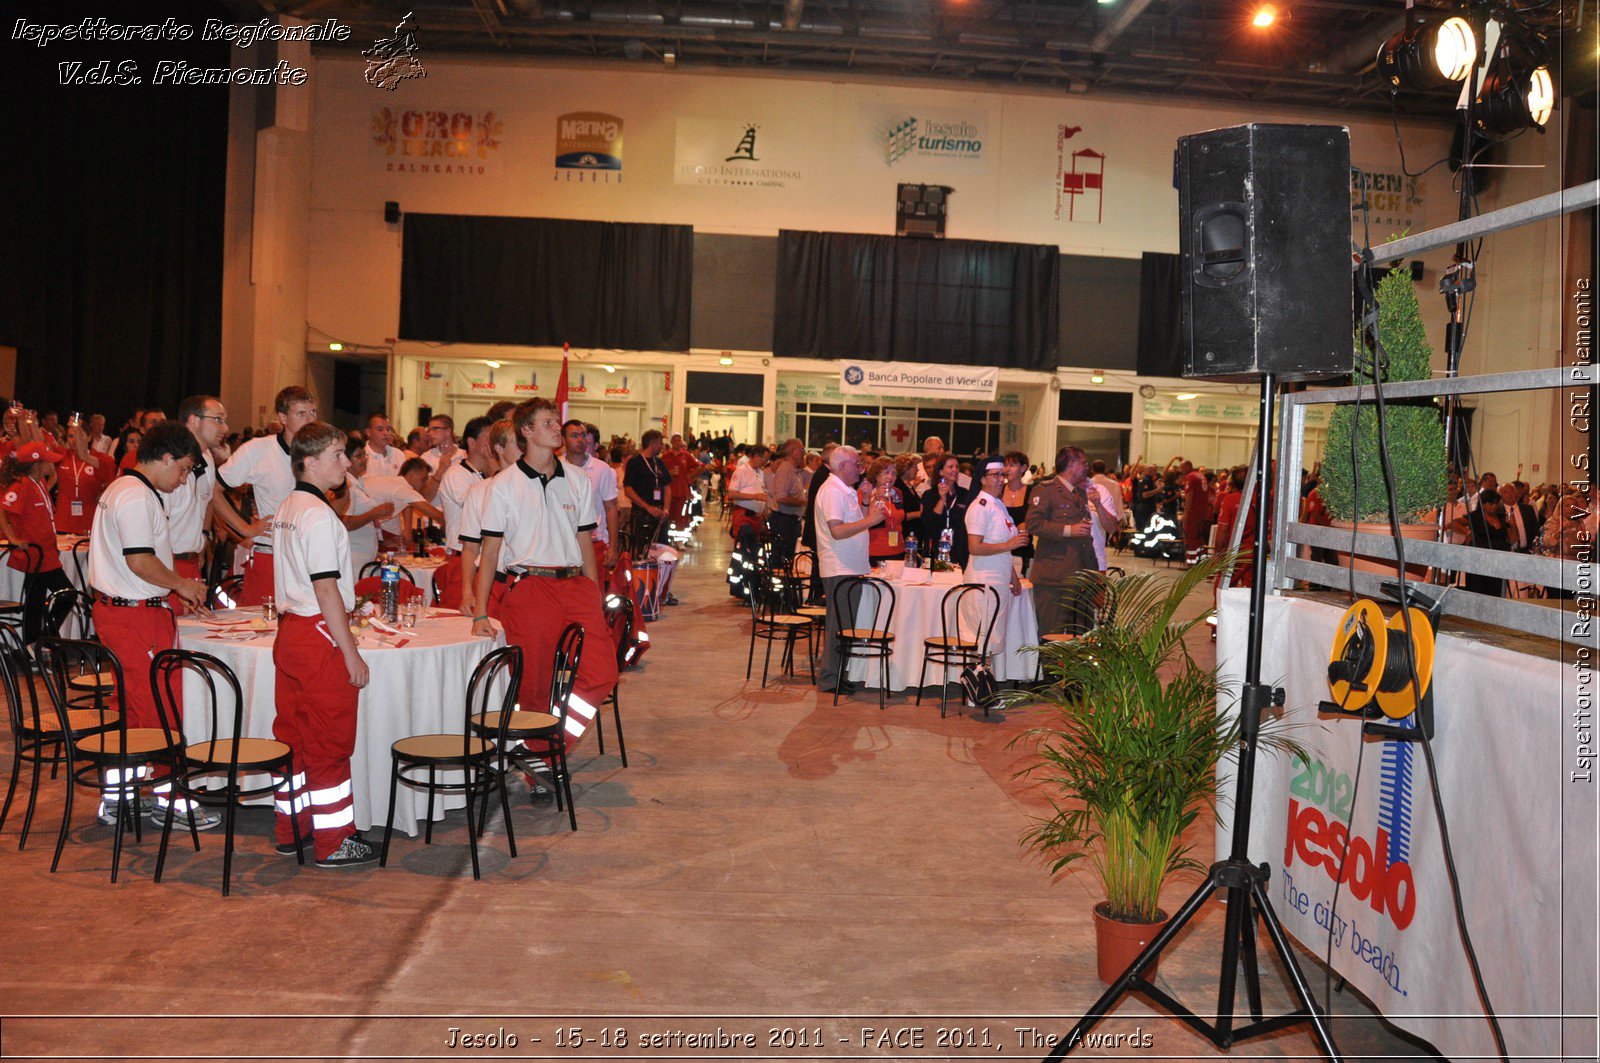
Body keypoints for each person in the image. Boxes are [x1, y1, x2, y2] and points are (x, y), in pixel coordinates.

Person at [85, 421, 216, 829]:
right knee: (162, 704)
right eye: (182, 469)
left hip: (129, 610)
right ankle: (168, 798)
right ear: (164, 458)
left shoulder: (126, 490)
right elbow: (139, 560)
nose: (182, 480)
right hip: (134, 614)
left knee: (135, 706)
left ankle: (119, 796)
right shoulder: (136, 496)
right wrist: (182, 585)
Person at [471, 399, 617, 762]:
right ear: (527, 431)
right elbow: (489, 553)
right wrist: (478, 612)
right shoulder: (502, 485)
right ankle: (539, 759)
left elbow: (586, 540)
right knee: (533, 685)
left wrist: (594, 593)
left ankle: (551, 744)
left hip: (575, 585)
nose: (557, 428)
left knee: (602, 673)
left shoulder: (578, 479)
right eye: (549, 422)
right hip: (530, 587)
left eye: (557, 421)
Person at [270, 420, 379, 867]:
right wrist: (349, 651)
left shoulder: (289, 506)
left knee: (294, 737)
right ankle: (334, 842)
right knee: (330, 742)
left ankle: (291, 830)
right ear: (308, 462)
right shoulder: (317, 514)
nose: (347, 463)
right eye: (337, 455)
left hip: (291, 631)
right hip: (317, 634)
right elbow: (327, 589)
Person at [217, 386, 318, 606]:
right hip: (272, 554)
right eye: (301, 414)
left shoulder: (322, 452)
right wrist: (244, 529)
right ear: (282, 417)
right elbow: (213, 490)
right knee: (264, 628)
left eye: (313, 413)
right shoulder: (258, 449)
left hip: (312, 555)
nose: (310, 420)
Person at [169, 395, 268, 611]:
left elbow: (210, 497)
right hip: (168, 562)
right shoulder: (170, 458)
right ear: (194, 421)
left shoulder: (207, 460)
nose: (225, 427)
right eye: (218, 419)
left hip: (192, 561)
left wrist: (205, 536)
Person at [813, 446, 884, 696]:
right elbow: (838, 530)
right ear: (843, 465)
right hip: (839, 567)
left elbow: (856, 523)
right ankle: (830, 678)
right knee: (838, 626)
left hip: (850, 566)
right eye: (857, 464)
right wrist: (872, 519)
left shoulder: (846, 490)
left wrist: (865, 503)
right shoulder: (832, 491)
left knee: (846, 625)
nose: (861, 468)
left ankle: (839, 674)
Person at [0, 440, 72, 640]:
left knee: (36, 600)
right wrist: (13, 537)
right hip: (36, 554)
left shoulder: (38, 483)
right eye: (48, 461)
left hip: (46, 552)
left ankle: (34, 644)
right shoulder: (21, 485)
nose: (53, 464)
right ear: (36, 464)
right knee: (67, 594)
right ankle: (45, 637)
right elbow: (3, 510)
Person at [1026, 446, 1099, 636]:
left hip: (1081, 577)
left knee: (1082, 636)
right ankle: (1051, 668)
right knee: (1052, 635)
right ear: (1071, 464)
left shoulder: (1080, 493)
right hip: (1054, 580)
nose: (1086, 467)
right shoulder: (1045, 490)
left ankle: (1077, 668)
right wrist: (1068, 530)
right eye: (1083, 463)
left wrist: (1094, 575)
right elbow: (1033, 524)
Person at [963, 456, 1029, 658]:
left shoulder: (998, 505)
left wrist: (1013, 576)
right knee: (983, 636)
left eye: (1003, 475)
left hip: (999, 578)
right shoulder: (979, 507)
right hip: (984, 580)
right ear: (982, 479)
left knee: (994, 636)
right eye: (996, 475)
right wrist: (1011, 544)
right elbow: (975, 547)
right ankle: (978, 683)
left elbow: (1003, 546)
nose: (1002, 479)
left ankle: (985, 680)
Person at [457, 419, 520, 622]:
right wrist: (467, 592)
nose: (524, 448)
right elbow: (470, 547)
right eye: (517, 442)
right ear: (499, 448)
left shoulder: (538, 489)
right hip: (492, 582)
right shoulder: (479, 491)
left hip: (527, 583)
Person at [433, 417, 495, 608]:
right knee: (459, 621)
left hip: (486, 559)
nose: (494, 443)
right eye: (489, 437)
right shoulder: (456, 474)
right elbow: (480, 511)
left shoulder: (485, 475)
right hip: (463, 560)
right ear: (472, 442)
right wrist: (496, 473)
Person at [563, 420, 620, 573]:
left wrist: (613, 547)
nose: (580, 440)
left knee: (594, 592)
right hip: (563, 545)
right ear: (563, 440)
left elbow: (611, 508)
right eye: (574, 436)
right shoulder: (554, 466)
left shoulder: (601, 468)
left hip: (595, 542)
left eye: (583, 435)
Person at [54, 419, 114, 536]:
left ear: (89, 437)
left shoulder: (101, 459)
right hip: (64, 521)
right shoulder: (62, 455)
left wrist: (103, 493)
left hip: (89, 521)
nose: (74, 439)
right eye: (71, 436)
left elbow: (111, 484)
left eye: (79, 435)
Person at [622, 429, 672, 556]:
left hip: (660, 513)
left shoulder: (659, 462)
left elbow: (667, 487)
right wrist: (648, 507)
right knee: (640, 549)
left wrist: (666, 509)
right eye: (660, 444)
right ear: (652, 444)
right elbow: (628, 490)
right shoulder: (635, 462)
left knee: (661, 549)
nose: (662, 447)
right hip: (642, 513)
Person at [920, 454, 971, 568]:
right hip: (935, 551)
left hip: (958, 552)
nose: (955, 470)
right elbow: (929, 524)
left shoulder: (964, 494)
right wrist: (942, 499)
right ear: (941, 472)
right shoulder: (929, 495)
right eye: (950, 467)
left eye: (957, 467)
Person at [764, 438, 808, 562]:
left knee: (788, 557)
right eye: (802, 450)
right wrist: (804, 502)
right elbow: (782, 497)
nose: (804, 453)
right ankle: (780, 580)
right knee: (781, 559)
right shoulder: (785, 470)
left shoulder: (793, 470)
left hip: (790, 521)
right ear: (793, 452)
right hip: (784, 522)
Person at [859, 456, 907, 566]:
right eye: (886, 473)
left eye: (894, 473)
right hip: (875, 550)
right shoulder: (865, 493)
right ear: (876, 475)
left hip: (898, 549)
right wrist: (876, 498)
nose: (890, 477)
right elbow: (864, 521)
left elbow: (899, 517)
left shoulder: (897, 493)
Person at [726, 444, 770, 545]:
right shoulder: (741, 470)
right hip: (744, 516)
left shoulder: (760, 472)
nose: (766, 463)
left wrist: (765, 509)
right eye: (765, 460)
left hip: (757, 518)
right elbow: (732, 494)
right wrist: (753, 497)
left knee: (754, 549)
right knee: (742, 549)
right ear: (757, 457)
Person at [1000, 451, 1033, 575]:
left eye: (1012, 465)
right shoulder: (999, 490)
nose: (1007, 469)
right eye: (1006, 465)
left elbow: (1034, 520)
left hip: (1023, 551)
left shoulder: (1031, 491)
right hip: (1002, 550)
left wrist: (1026, 525)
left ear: (1023, 468)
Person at [662, 433, 703, 531]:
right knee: (668, 516)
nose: (677, 442)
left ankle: (680, 540)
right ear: (671, 442)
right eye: (675, 440)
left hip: (682, 491)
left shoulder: (686, 455)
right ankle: (667, 538)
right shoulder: (666, 456)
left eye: (679, 440)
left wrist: (689, 476)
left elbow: (698, 466)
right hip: (668, 491)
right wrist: (669, 472)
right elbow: (659, 472)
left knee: (681, 516)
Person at [1179, 460, 1213, 565]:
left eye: (1182, 467)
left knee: (1191, 538)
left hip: (1194, 512)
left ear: (1189, 466)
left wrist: (1186, 513)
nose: (1181, 470)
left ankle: (1191, 562)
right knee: (1200, 538)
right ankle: (1202, 562)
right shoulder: (1201, 476)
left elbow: (1190, 495)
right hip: (1203, 512)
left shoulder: (1190, 477)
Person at [362, 413, 406, 478]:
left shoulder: (399, 455)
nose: (386, 433)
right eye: (380, 429)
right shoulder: (362, 457)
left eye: (388, 429)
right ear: (368, 432)